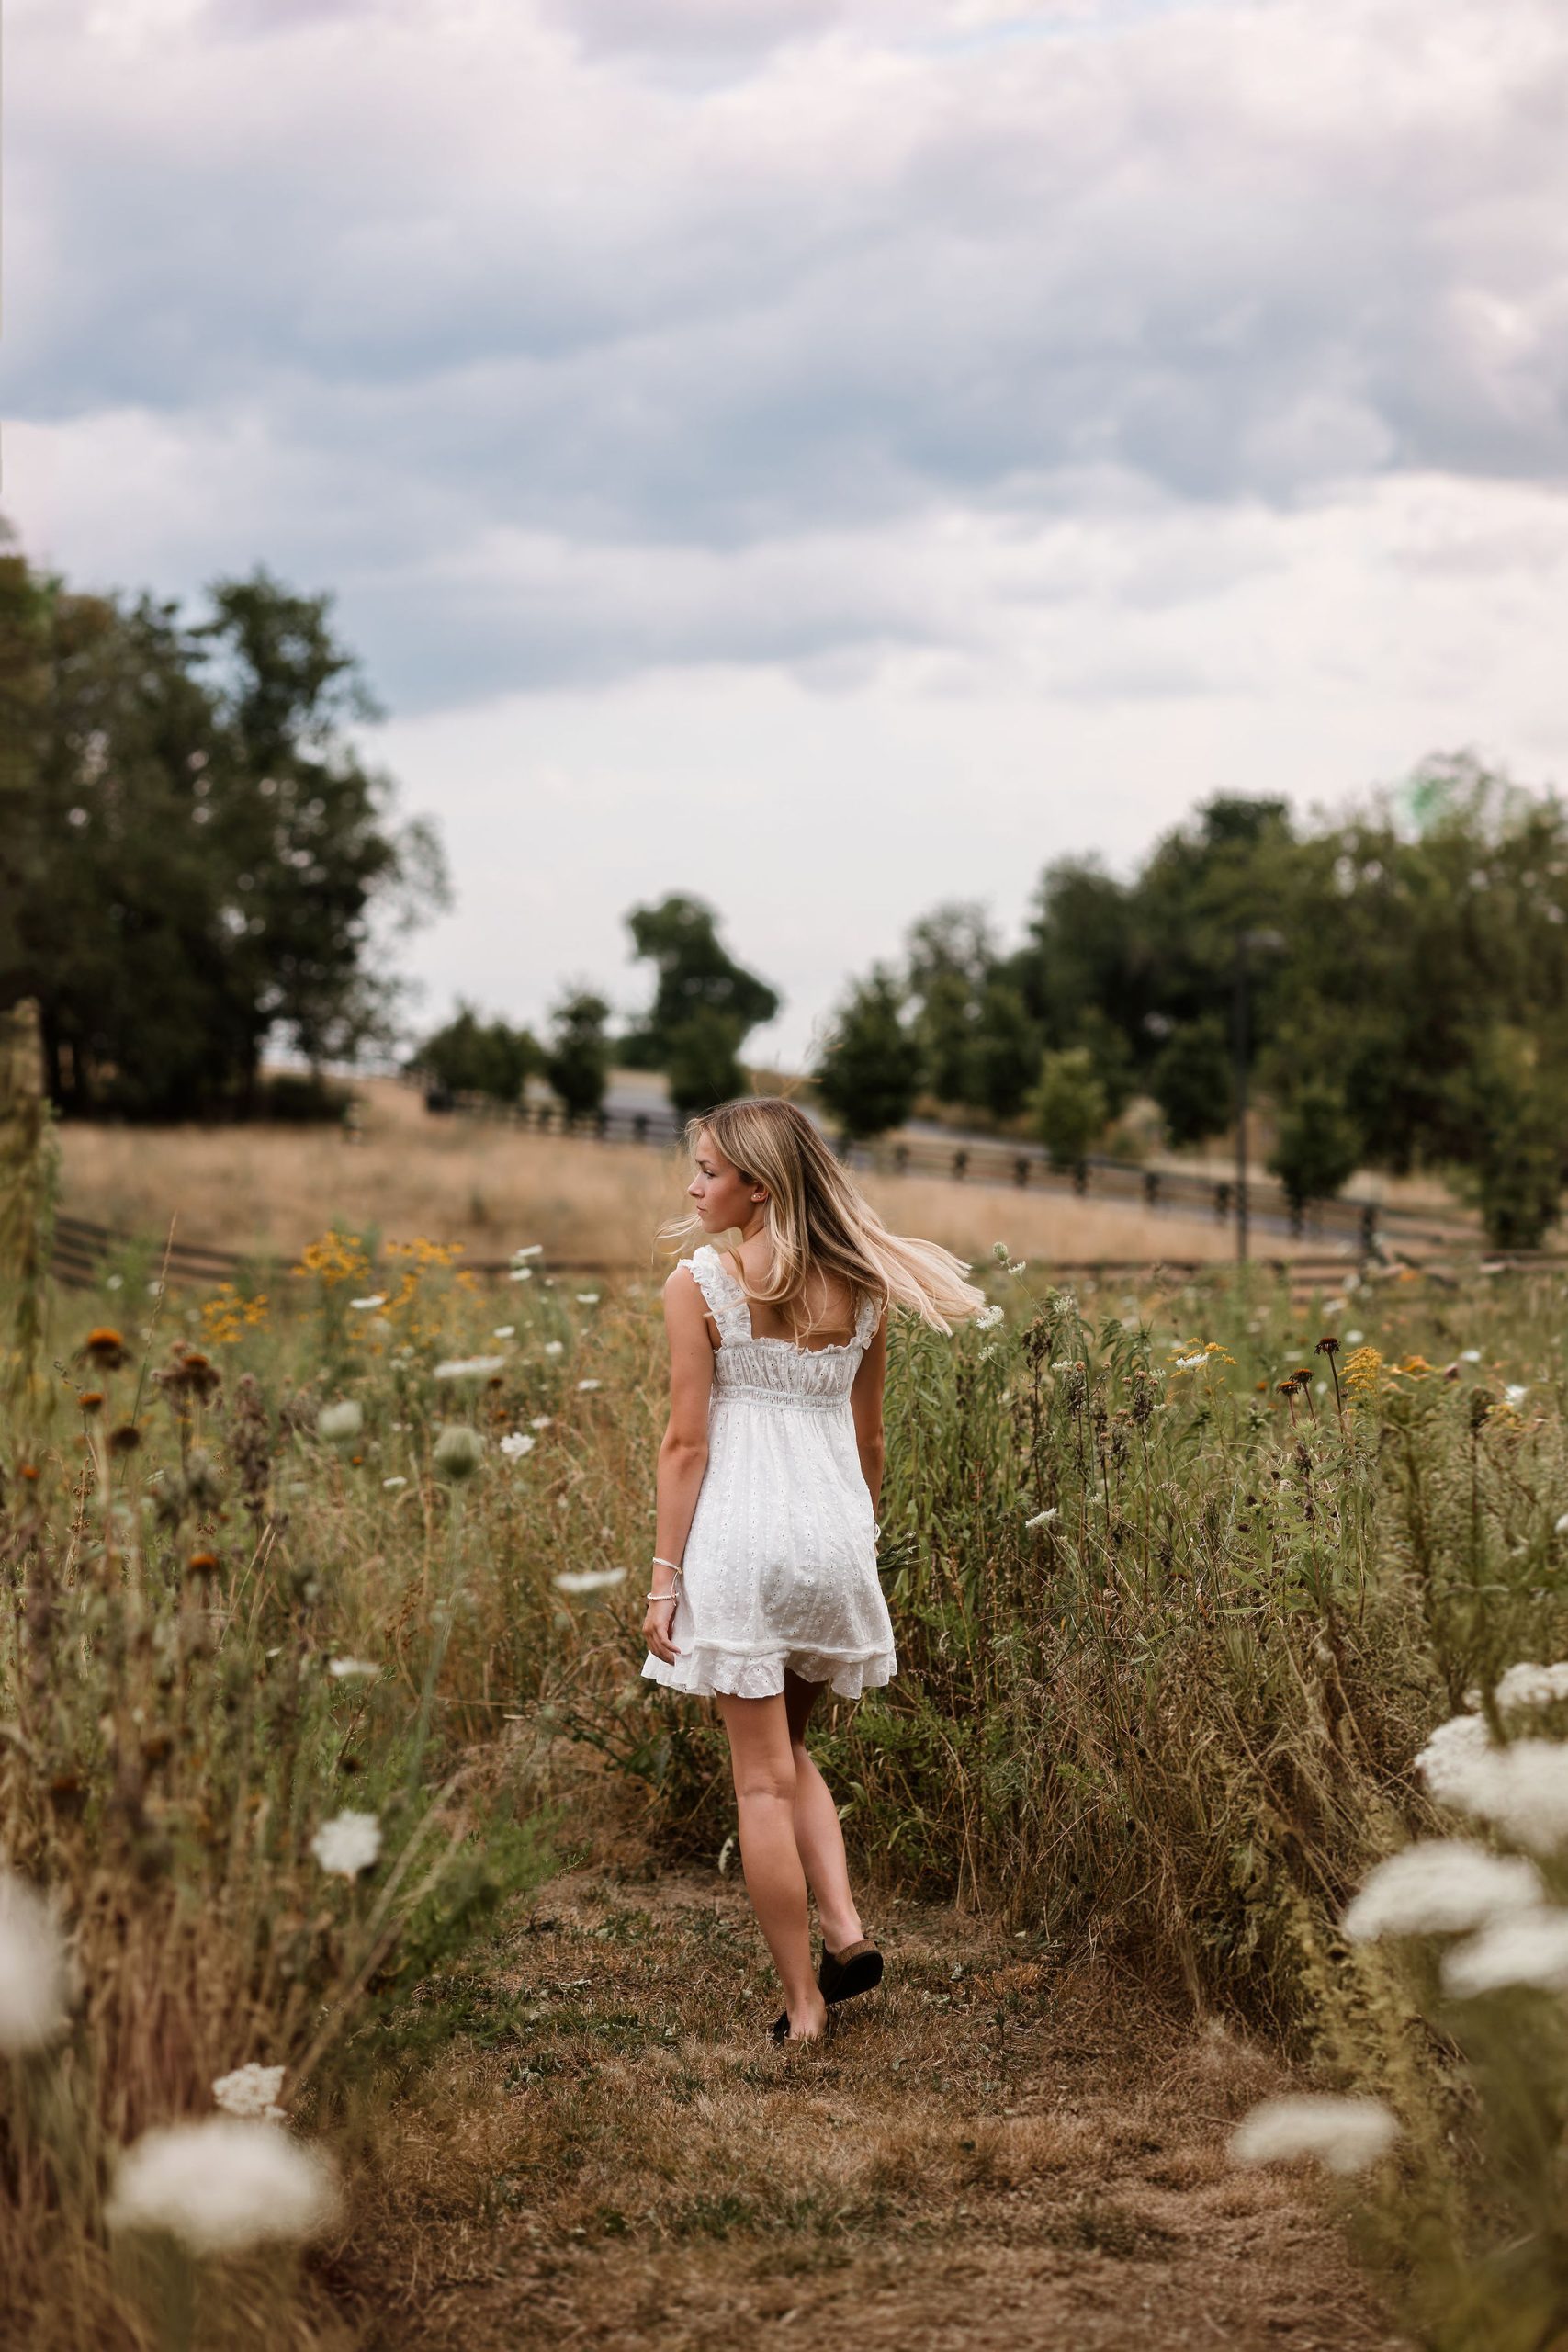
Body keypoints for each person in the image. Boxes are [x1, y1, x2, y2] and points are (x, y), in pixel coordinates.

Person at [640, 1098, 985, 2044]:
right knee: (787, 1754)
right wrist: (850, 1542)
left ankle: (804, 2006)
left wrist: (664, 1579)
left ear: (758, 1185)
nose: (694, 1187)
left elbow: (684, 1446)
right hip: (833, 1540)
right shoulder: (864, 1290)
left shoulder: (699, 1284)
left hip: (741, 1542)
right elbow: (871, 1444)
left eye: (709, 1170)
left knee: (759, 1782)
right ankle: (844, 1929)